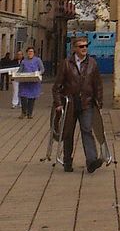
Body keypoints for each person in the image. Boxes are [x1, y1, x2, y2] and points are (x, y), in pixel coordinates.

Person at [52, 36, 104, 173]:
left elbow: (98, 84)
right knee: (68, 132)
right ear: (75, 48)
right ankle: (67, 161)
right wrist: (58, 103)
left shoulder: (92, 63)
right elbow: (57, 86)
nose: (84, 48)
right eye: (81, 46)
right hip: (70, 103)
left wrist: (99, 100)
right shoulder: (66, 64)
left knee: (87, 130)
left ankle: (92, 161)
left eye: (86, 46)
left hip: (86, 102)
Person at [17, 46, 44, 118]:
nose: (30, 53)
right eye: (29, 51)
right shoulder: (24, 61)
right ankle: (23, 112)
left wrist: (38, 73)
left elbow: (42, 69)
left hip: (33, 83)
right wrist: (16, 75)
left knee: (31, 99)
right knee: (23, 97)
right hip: (24, 83)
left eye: (31, 51)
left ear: (34, 53)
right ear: (27, 53)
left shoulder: (38, 60)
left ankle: (30, 113)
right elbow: (20, 71)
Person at [10, 47, 24, 115]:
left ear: (22, 55)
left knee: (22, 90)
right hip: (15, 78)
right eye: (18, 54)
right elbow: (10, 69)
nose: (19, 56)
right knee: (15, 90)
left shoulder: (24, 61)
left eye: (20, 54)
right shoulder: (13, 61)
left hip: (22, 78)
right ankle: (14, 103)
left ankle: (21, 103)